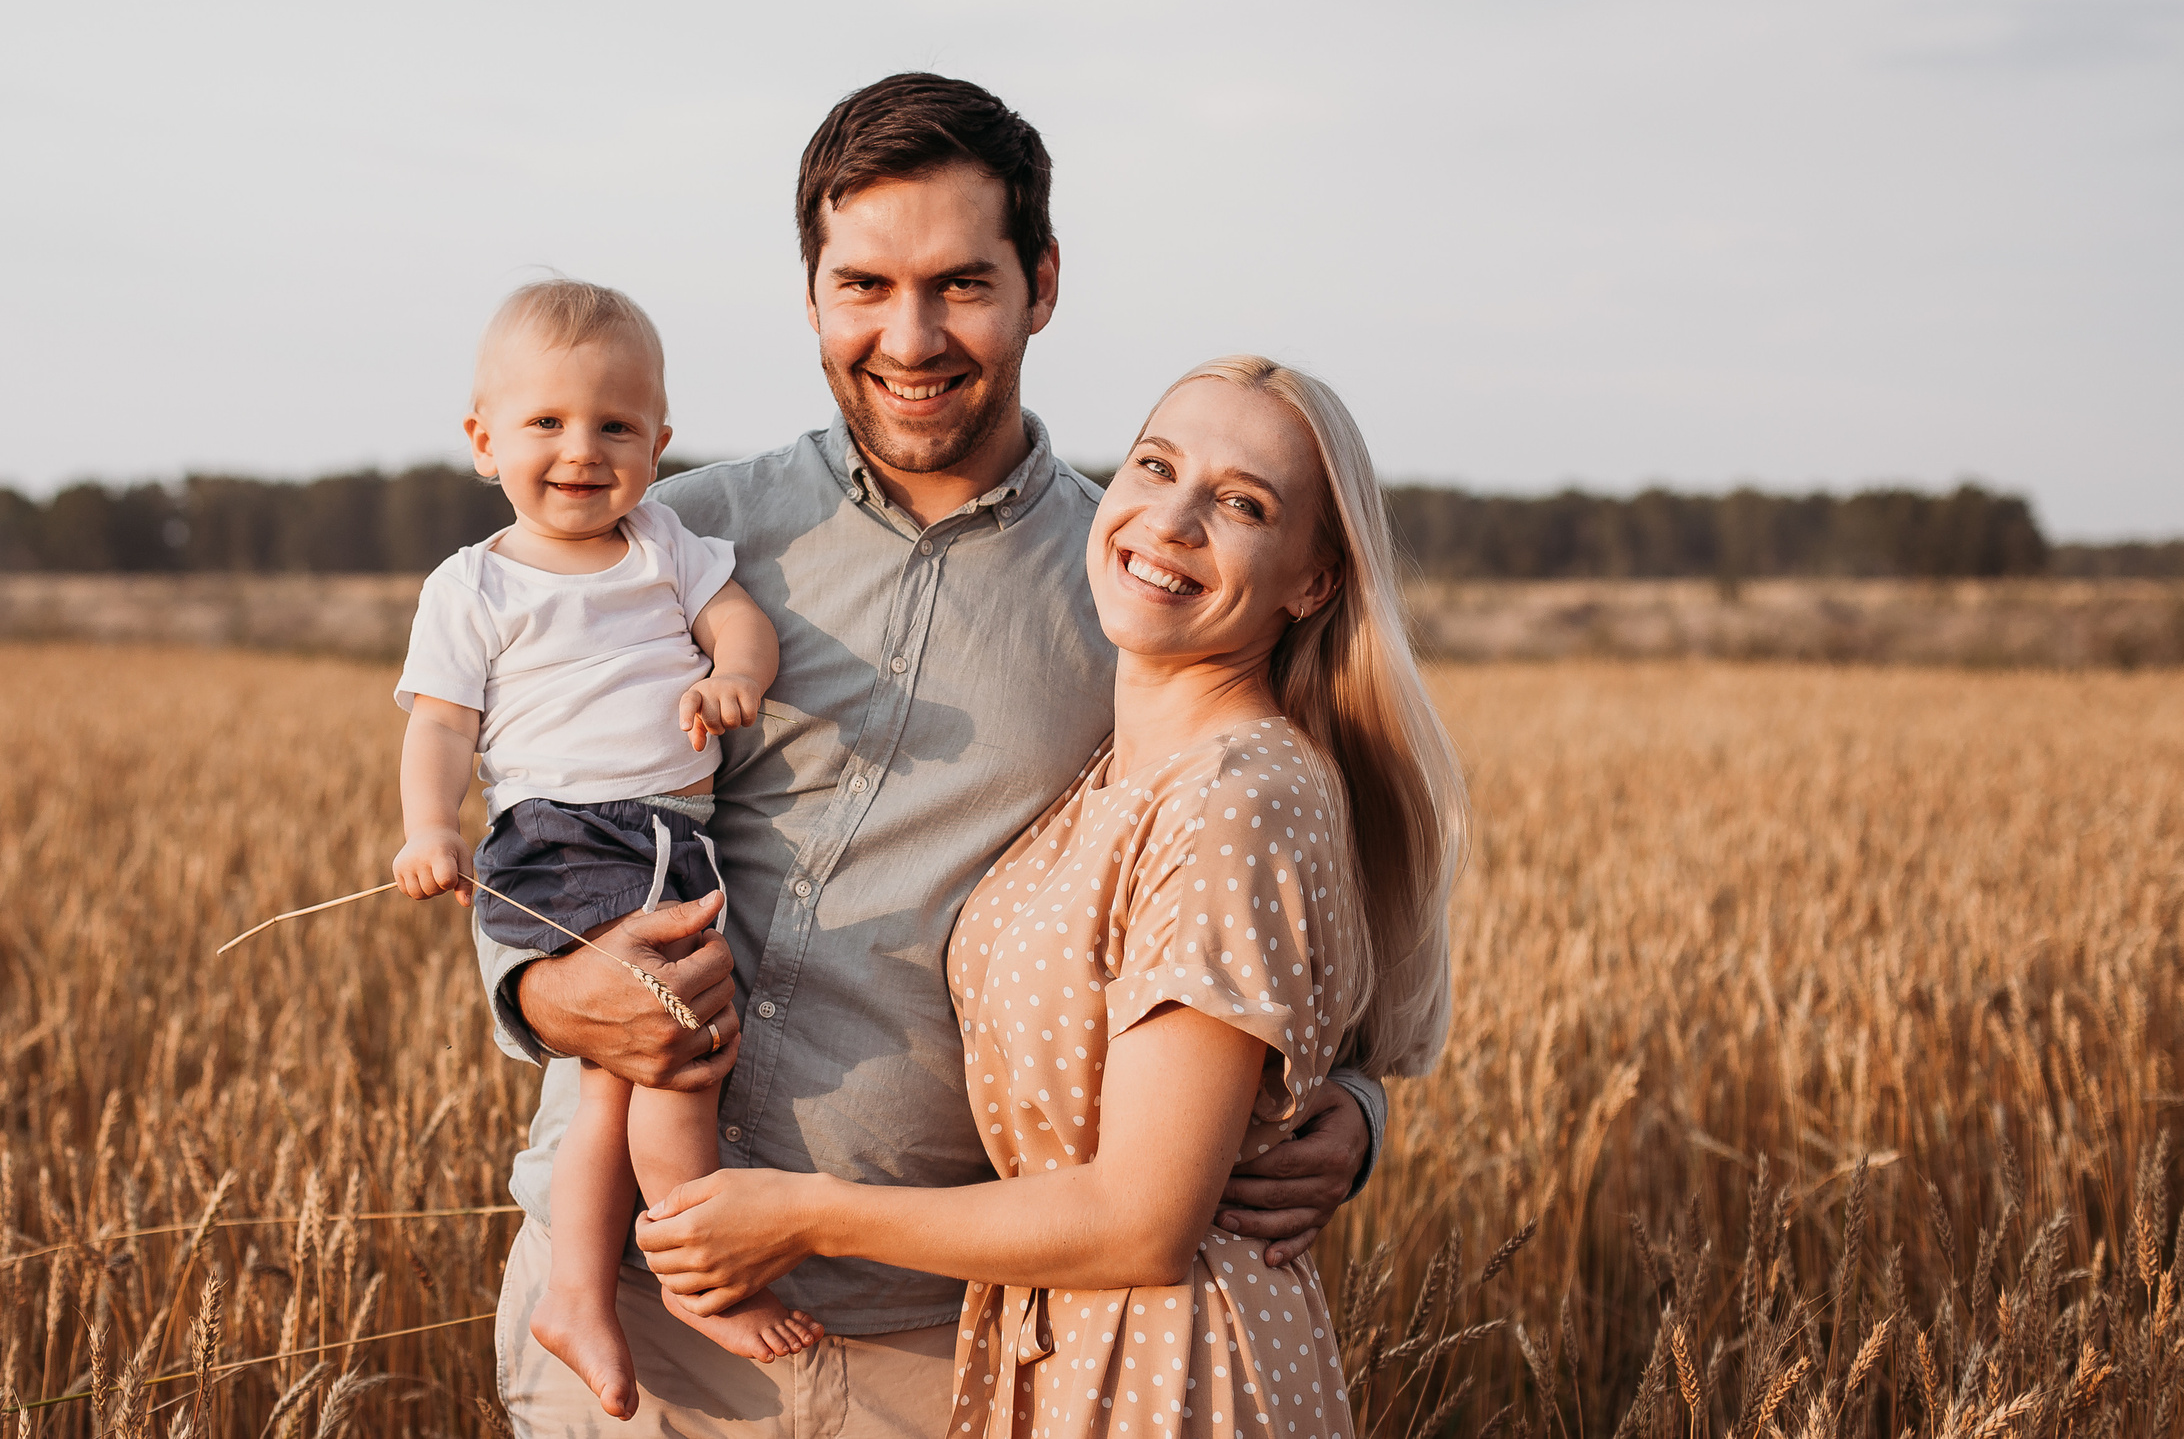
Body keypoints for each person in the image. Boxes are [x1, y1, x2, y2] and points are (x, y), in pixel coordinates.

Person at [480, 74, 1397, 1439]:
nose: (909, 338)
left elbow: (1276, 887)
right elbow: (541, 803)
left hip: (939, 1335)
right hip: (626, 1310)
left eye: (962, 284)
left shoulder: (1134, 588)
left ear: (1042, 284)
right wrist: (541, 986)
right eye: (863, 285)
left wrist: (1353, 1107)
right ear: (810, 294)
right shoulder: (672, 540)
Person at [636, 356, 1465, 1439]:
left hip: (1168, 1370)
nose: (1171, 520)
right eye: (1155, 465)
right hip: (1063, 1345)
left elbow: (1141, 1222)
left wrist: (807, 1215)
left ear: (1312, 581)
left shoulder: (1238, 796)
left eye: (1242, 504)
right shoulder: (1119, 767)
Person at [389, 279, 824, 1419]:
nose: (582, 449)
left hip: (671, 836)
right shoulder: (475, 584)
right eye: (546, 421)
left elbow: (739, 624)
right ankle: (695, 1276)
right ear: (484, 440)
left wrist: (736, 677)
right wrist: (431, 828)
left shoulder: (664, 543)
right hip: (561, 838)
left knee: (614, 1081)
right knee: (679, 1060)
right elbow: (440, 727)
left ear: (659, 445)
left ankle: (580, 1291)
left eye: (615, 425)